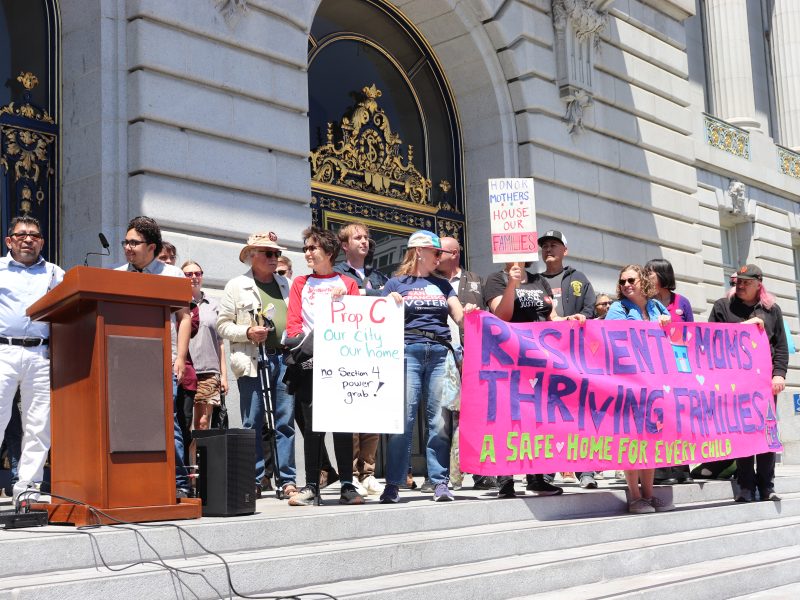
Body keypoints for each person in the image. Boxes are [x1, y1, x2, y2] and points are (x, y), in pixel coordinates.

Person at [379, 230, 477, 504]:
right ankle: (394, 483)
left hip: (439, 354)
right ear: (419, 251)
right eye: (436, 253)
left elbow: (458, 316)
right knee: (403, 420)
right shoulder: (395, 284)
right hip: (406, 352)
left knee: (439, 421)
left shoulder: (444, 284)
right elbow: (376, 318)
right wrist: (388, 304)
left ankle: (439, 481)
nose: (440, 259)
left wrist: (467, 313)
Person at [483, 261, 584, 498]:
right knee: (510, 417)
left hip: (540, 359)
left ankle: (536, 477)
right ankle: (505, 478)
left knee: (537, 417)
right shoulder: (496, 279)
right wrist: (512, 284)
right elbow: (501, 315)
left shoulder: (540, 281)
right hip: (509, 358)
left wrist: (570, 320)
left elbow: (552, 317)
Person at [115, 216, 193, 498]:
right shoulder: (116, 275)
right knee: (128, 423)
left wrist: (180, 358)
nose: (128, 247)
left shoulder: (171, 275)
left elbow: (185, 318)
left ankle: (180, 483)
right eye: (126, 242)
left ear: (152, 247)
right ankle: (136, 482)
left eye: (134, 242)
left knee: (166, 423)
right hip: (124, 364)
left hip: (162, 361)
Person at [285, 226, 362, 506]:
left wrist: (355, 299)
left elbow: (359, 320)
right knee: (313, 427)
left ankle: (347, 485)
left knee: (342, 426)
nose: (307, 253)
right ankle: (310, 487)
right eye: (305, 248)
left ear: (328, 252)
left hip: (341, 364)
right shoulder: (300, 283)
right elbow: (293, 322)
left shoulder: (348, 283)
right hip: (309, 364)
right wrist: (301, 345)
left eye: (312, 248)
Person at [217, 232, 296, 499]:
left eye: (276, 254)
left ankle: (287, 480)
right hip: (253, 359)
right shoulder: (236, 286)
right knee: (253, 420)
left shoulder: (286, 283)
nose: (275, 258)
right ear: (252, 256)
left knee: (285, 420)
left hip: (284, 358)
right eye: (269, 253)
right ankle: (255, 478)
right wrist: (248, 333)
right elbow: (222, 325)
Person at [708, 264, 787, 503]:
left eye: (745, 282)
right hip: (735, 384)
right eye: (737, 281)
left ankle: (766, 486)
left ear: (758, 283)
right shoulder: (723, 307)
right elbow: (711, 339)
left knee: (766, 434)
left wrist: (779, 374)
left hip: (765, 384)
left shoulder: (772, 310)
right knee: (741, 434)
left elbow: (781, 346)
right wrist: (743, 327)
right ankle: (744, 486)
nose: (739, 286)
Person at [0, 215, 64, 502]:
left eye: (34, 235)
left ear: (42, 241)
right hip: (4, 351)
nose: (28, 239)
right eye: (21, 234)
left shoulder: (54, 273)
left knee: (39, 424)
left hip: (41, 353)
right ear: (9, 241)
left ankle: (28, 488)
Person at [605, 264, 675, 514]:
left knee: (652, 439)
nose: (626, 285)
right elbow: (613, 342)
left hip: (655, 382)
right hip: (629, 383)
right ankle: (635, 496)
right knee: (631, 440)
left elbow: (673, 340)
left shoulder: (657, 308)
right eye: (622, 281)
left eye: (631, 280)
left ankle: (649, 494)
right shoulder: (617, 308)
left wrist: (668, 326)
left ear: (643, 280)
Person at [538, 230, 598, 489]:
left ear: (565, 250)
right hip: (544, 359)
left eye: (554, 245)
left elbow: (590, 309)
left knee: (581, 412)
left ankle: (587, 470)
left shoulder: (578, 278)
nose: (548, 249)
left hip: (576, 359)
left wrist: (579, 318)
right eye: (545, 246)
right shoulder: (533, 281)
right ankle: (547, 471)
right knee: (548, 415)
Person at [332, 222, 389, 497]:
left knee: (372, 414)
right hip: (347, 354)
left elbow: (388, 300)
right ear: (344, 246)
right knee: (351, 415)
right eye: (358, 238)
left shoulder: (377, 275)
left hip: (375, 352)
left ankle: (368, 472)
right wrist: (369, 296)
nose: (364, 241)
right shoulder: (336, 275)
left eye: (366, 237)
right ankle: (351, 474)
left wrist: (368, 294)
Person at [437, 236, 497, 491]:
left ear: (455, 254)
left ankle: (480, 471)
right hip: (442, 355)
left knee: (474, 417)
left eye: (441, 251)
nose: (436, 256)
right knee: (442, 418)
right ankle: (443, 474)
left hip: (473, 355)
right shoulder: (431, 281)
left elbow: (492, 315)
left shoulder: (476, 281)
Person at [645, 258, 694, 485]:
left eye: (650, 274)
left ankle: (682, 466)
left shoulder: (682, 302)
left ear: (663, 276)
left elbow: (692, 335)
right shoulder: (646, 304)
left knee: (679, 417)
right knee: (659, 417)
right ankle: (661, 468)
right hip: (655, 369)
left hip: (678, 368)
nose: (647, 278)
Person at [182, 261, 228, 431]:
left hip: (209, 371)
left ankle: (201, 458)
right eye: (188, 274)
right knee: (185, 421)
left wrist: (224, 375)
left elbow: (220, 342)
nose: (194, 277)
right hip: (186, 369)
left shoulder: (214, 304)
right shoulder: (179, 302)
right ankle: (189, 458)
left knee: (202, 423)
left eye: (197, 273)